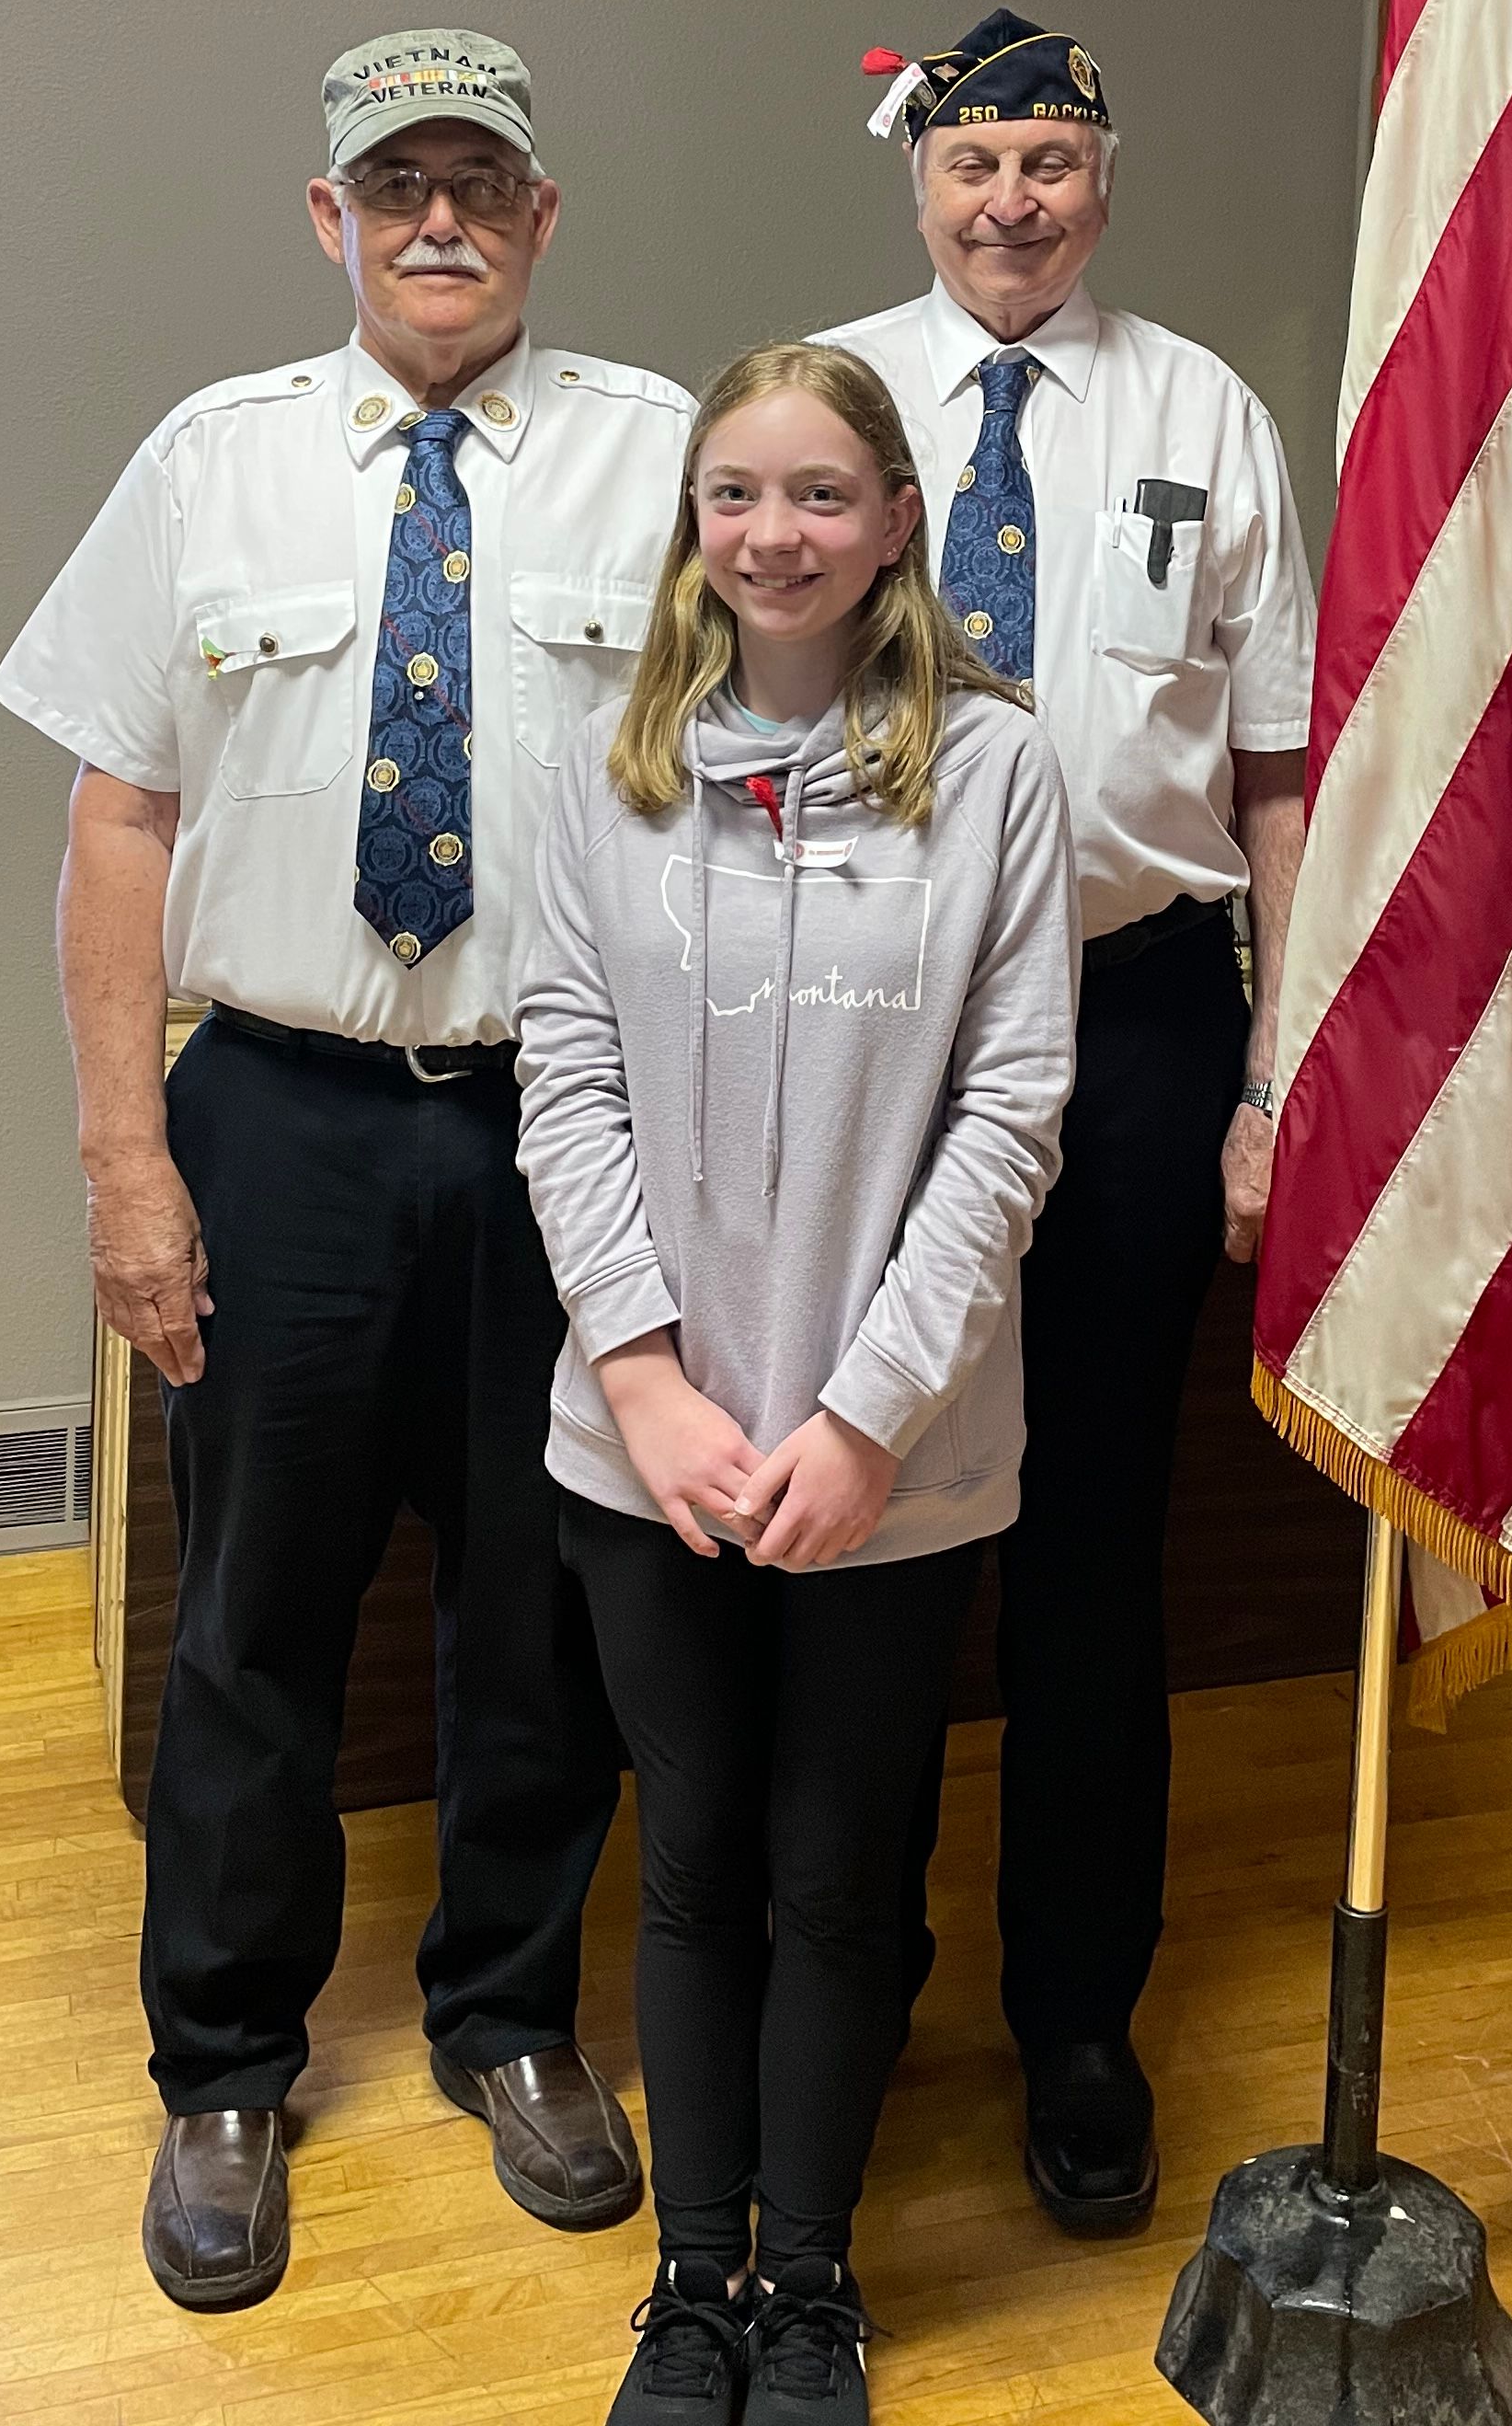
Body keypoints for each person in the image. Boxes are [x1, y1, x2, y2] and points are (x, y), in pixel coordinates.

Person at [0, 27, 688, 2311]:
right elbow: (120, 817)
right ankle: (224, 2066)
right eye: (397, 185)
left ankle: (511, 2018)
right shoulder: (214, 461)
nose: (440, 220)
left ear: (543, 213)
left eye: (481, 179)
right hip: (279, 1115)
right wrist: (126, 1158)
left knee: (544, 1611)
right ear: (331, 217)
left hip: (562, 1121)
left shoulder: (666, 457)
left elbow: (750, 789)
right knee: (254, 1619)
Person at [519, 342, 1077, 2424]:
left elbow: (1010, 1116)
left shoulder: (996, 771)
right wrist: (647, 1385)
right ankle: (692, 2288)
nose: (777, 535)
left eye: (824, 494)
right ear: (694, 522)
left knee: (843, 1870)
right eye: (738, 493)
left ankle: (811, 2289)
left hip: (889, 1463)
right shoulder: (610, 767)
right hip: (651, 1450)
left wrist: (864, 1422)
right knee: (691, 1858)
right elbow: (564, 1081)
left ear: (899, 522)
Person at [826, 6, 1314, 2233]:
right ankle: (852, 1980)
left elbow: (1280, 773)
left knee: (1097, 1542)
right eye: (972, 162)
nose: (1007, 202)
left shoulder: (1204, 413)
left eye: (1046, 162)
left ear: (1104, 185)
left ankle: (1081, 2020)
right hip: (878, 1015)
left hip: (1136, 1019)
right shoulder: (831, 406)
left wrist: (1274, 1078)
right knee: (875, 1515)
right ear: (915, 182)